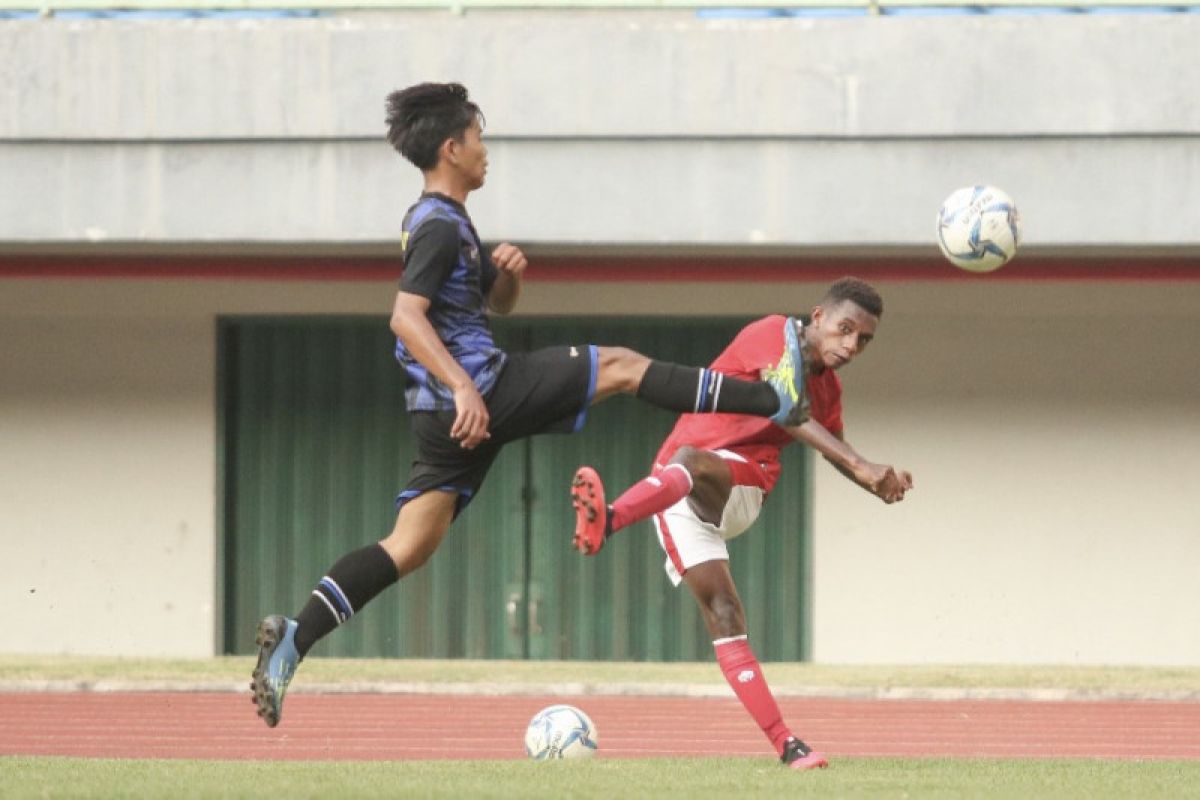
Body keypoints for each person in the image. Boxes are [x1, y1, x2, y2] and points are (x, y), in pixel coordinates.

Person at [250, 82, 814, 728]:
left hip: (442, 418)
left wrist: (506, 276)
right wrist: (464, 384)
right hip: (479, 392)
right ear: (451, 147)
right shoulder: (437, 225)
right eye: (479, 138)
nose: (487, 151)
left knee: (409, 545)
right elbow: (406, 317)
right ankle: (773, 395)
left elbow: (492, 307)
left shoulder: (443, 221)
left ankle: (297, 635)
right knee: (624, 367)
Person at [570, 277, 914, 771]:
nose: (851, 346)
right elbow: (787, 408)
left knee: (693, 460)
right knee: (725, 615)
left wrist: (875, 479)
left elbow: (834, 447)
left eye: (864, 340)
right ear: (818, 317)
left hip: (741, 487)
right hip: (672, 496)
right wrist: (863, 466)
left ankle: (611, 519)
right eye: (845, 330)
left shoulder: (829, 390)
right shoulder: (772, 334)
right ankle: (787, 744)